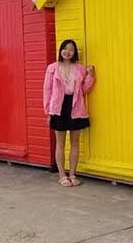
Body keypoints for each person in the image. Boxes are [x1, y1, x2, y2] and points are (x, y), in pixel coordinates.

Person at [43, 39, 95, 187]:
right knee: (60, 142)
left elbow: (84, 89)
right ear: (60, 50)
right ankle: (61, 175)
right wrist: (48, 112)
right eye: (65, 49)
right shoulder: (52, 68)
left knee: (75, 142)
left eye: (71, 49)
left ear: (75, 52)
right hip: (58, 108)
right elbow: (47, 91)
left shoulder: (80, 68)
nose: (68, 52)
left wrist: (90, 76)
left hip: (76, 106)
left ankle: (72, 174)